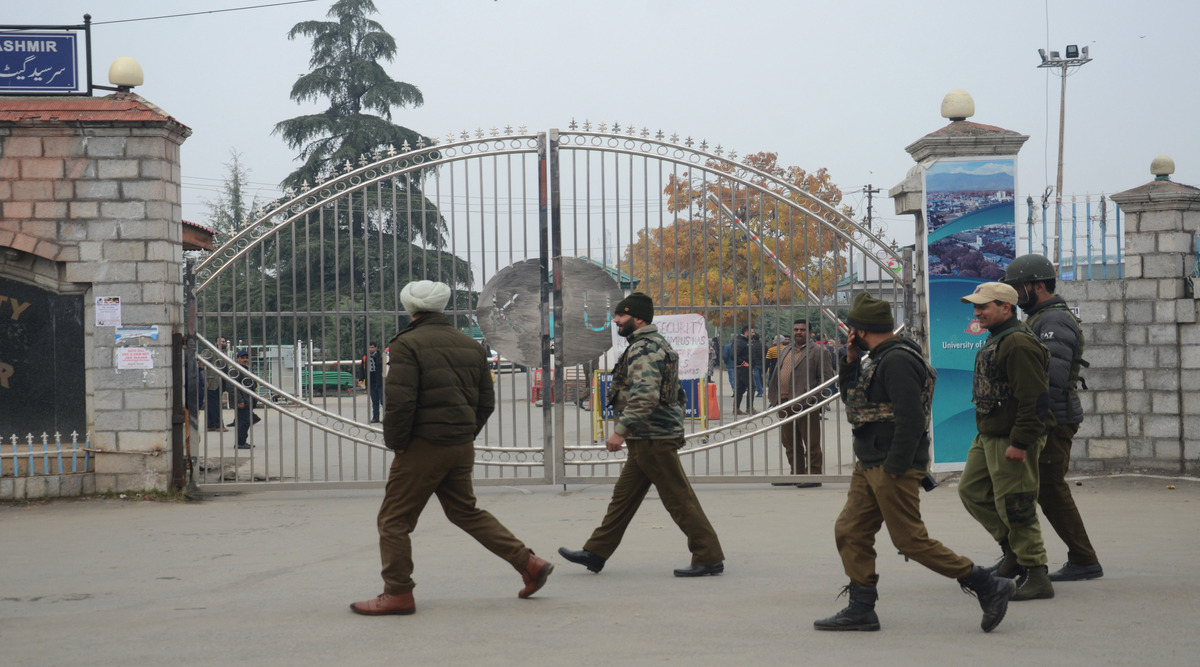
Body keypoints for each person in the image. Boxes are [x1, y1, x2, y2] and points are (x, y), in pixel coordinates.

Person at [814, 293, 1015, 633]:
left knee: (910, 540)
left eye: (852, 331)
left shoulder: (897, 361)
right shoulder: (875, 358)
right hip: (871, 462)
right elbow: (853, 400)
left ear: (860, 330)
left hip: (891, 464)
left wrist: (896, 466)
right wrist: (849, 360)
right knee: (850, 531)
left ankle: (986, 583)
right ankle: (862, 608)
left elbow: (911, 418)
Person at [351, 280, 552, 616]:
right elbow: (486, 401)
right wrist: (464, 432)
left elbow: (400, 402)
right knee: (465, 511)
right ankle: (529, 563)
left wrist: (398, 443)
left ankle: (398, 592)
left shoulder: (407, 344)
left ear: (410, 308)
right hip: (459, 445)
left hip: (422, 446)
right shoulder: (469, 345)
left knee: (394, 520)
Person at [558, 292, 725, 578]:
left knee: (678, 499)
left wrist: (620, 432)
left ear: (637, 318)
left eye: (621, 316)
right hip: (649, 435)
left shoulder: (645, 348)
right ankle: (596, 552)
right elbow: (677, 394)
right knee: (623, 499)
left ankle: (708, 556)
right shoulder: (651, 345)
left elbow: (645, 396)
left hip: (653, 437)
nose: (616, 321)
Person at [1004, 254, 1102, 582]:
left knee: (1050, 489)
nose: (1016, 295)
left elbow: (1051, 379)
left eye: (1020, 288)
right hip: (1051, 417)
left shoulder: (1053, 322)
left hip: (1054, 420)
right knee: (1047, 489)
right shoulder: (1040, 318)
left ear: (1039, 286)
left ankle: (1084, 559)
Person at [958, 282, 1057, 601]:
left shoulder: (1017, 343)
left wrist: (1021, 442)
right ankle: (1013, 552)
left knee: (1017, 503)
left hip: (1012, 437)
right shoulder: (1000, 338)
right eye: (976, 306)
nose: (977, 312)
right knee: (972, 490)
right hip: (990, 433)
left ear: (1006, 307)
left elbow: (1035, 399)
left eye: (984, 306)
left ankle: (1036, 573)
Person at [766, 319, 834, 486]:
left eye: (802, 330)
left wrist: (813, 400)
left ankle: (814, 476)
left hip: (806, 404)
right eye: (796, 329)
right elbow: (777, 373)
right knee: (789, 442)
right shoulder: (786, 350)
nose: (798, 332)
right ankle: (796, 474)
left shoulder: (819, 351)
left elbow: (826, 379)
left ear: (810, 333)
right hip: (784, 402)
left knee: (811, 442)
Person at [228, 349, 261, 450]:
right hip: (242, 402)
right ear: (237, 359)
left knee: (245, 421)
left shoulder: (247, 369)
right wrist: (239, 401)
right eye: (242, 358)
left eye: (246, 357)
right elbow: (232, 387)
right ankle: (240, 443)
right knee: (244, 422)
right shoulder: (235, 371)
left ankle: (242, 441)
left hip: (248, 400)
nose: (245, 359)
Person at [360, 342, 384, 423]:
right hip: (370, 381)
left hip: (380, 381)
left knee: (383, 400)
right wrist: (361, 379)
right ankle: (376, 416)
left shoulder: (381, 356)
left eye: (372, 347)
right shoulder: (365, 357)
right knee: (374, 401)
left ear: (376, 348)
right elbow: (362, 369)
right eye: (369, 347)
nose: (370, 349)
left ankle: (386, 417)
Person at [733, 325, 754, 414]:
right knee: (752, 386)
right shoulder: (740, 342)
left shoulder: (745, 341)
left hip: (745, 368)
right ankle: (749, 408)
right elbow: (733, 355)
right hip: (743, 368)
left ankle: (736, 408)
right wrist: (743, 363)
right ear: (747, 332)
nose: (754, 334)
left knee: (740, 388)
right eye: (752, 332)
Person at [750, 332, 765, 398]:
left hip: (755, 364)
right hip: (763, 363)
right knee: (761, 378)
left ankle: (760, 392)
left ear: (753, 339)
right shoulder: (764, 345)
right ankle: (761, 389)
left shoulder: (752, 346)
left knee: (757, 379)